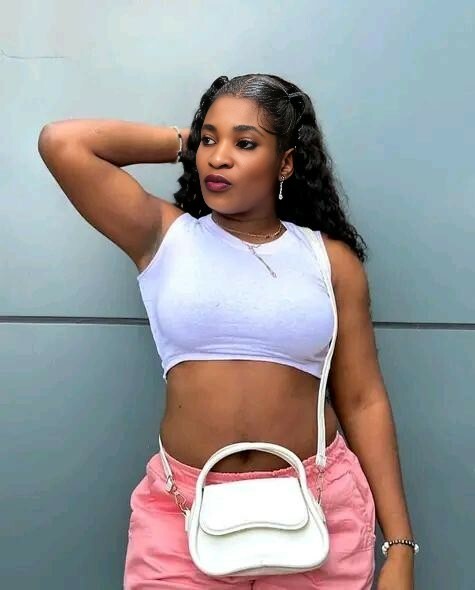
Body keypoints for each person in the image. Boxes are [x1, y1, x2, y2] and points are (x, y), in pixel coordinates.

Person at [38, 73, 418, 589]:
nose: (219, 158)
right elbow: (63, 143)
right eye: (210, 140)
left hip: (319, 505)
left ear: (285, 163)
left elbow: (363, 399)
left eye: (245, 144)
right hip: (182, 510)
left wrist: (399, 546)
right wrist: (188, 142)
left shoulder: (330, 261)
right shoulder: (163, 237)